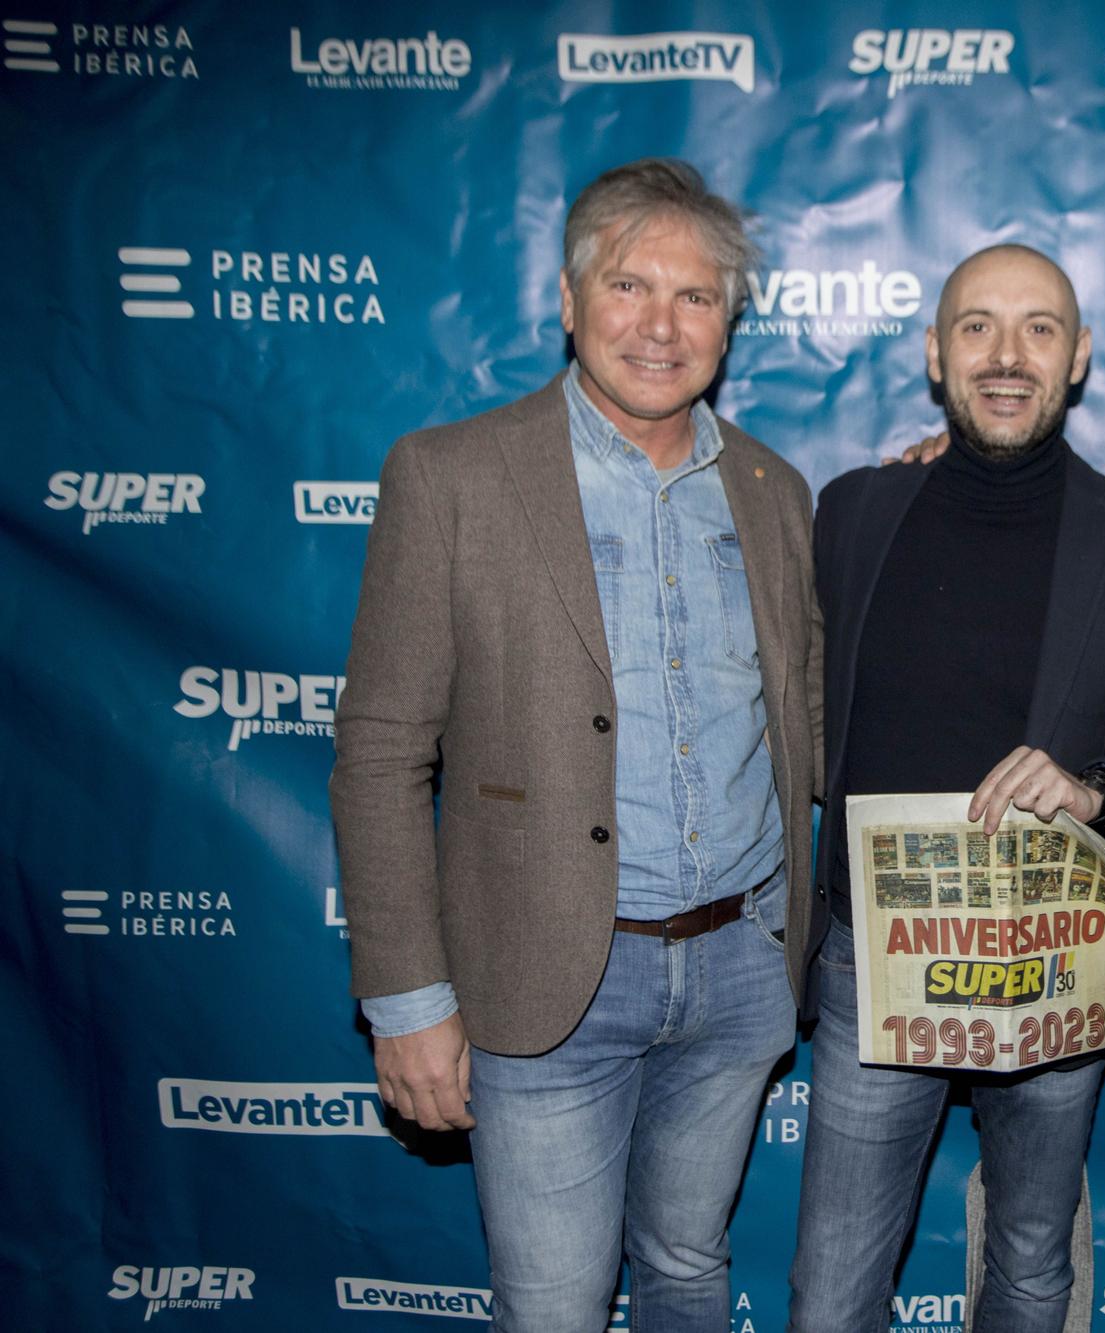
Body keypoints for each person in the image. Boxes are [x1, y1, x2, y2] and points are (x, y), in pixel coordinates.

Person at [329, 158, 818, 1333]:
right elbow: (381, 750)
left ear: (730, 321)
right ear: (565, 299)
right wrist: (407, 1002)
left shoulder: (773, 489)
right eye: (627, 286)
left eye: (695, 297)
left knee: (690, 1273)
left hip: (742, 968)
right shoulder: (449, 476)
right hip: (544, 976)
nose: (660, 325)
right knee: (552, 1307)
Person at [790, 244, 1105, 1332]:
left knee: (1028, 1265)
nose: (1006, 354)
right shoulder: (852, 513)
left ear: (1075, 361)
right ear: (935, 355)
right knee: (832, 1291)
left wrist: (1093, 789)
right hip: (870, 962)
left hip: (1050, 959)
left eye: (1038, 328)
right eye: (977, 326)